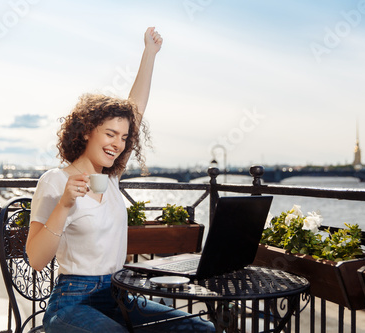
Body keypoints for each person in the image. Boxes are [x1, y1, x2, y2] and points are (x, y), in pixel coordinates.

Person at [26, 27, 215, 333]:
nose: (118, 143)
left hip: (119, 293)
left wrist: (149, 55)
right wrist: (64, 205)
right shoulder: (54, 181)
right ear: (87, 131)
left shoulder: (110, 177)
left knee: (199, 328)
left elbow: (135, 112)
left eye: (124, 138)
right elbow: (36, 259)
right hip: (72, 302)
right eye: (110, 134)